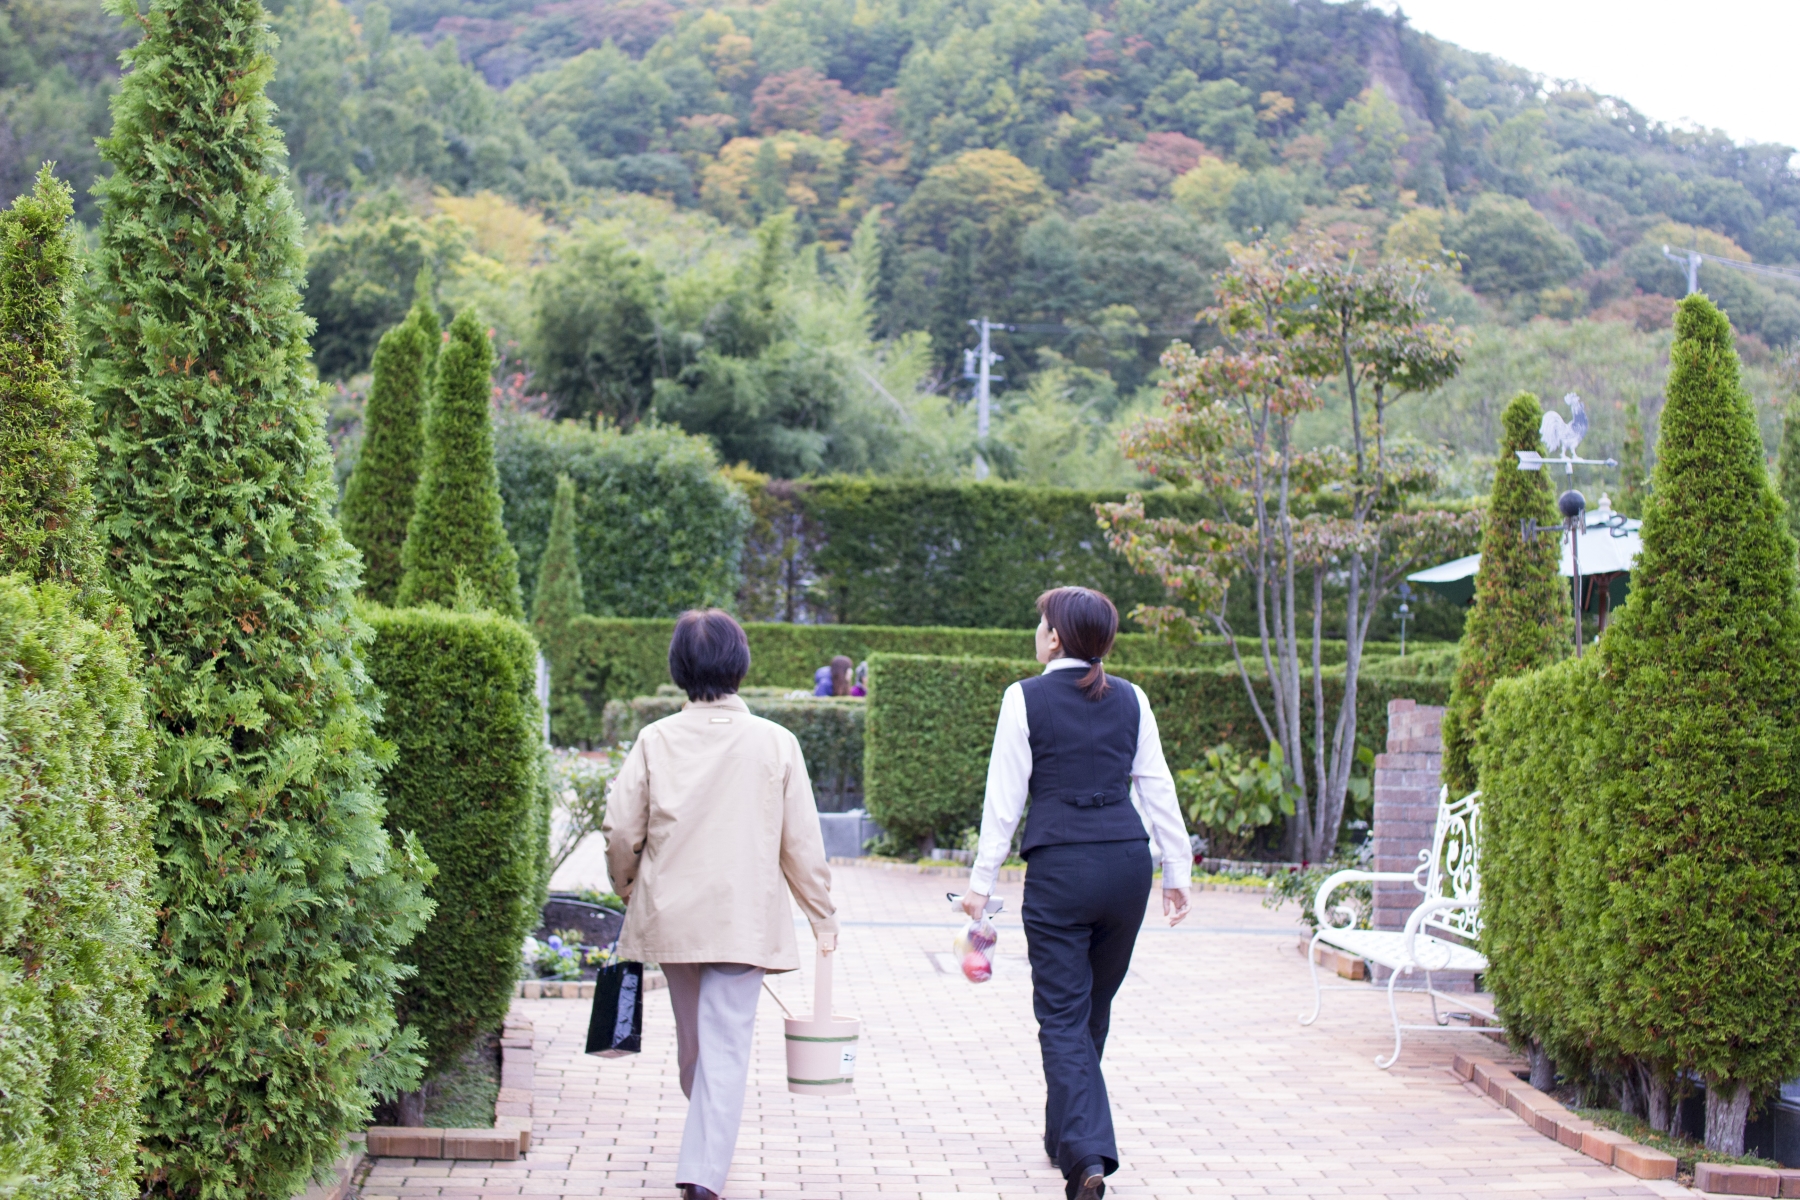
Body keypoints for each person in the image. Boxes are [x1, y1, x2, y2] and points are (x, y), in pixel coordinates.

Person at [960, 586, 1192, 1200]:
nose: (1037, 630)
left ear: (1056, 637)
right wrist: (1178, 870)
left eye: (1041, 622)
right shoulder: (1132, 699)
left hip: (1061, 868)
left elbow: (1003, 800)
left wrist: (980, 885)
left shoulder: (1024, 697)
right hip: (1125, 867)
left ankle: (1087, 1157)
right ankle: (1065, 1133)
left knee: (1063, 1015)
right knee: (1090, 1010)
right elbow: (1157, 787)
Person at [604, 609, 839, 1200]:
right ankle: (707, 1159)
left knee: (697, 1045)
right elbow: (802, 843)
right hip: (742, 919)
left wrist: (626, 885)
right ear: (740, 664)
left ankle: (701, 1172)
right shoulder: (776, 742)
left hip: (673, 914)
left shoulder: (655, 739)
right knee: (721, 1045)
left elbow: (619, 829)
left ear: (679, 668)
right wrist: (821, 915)